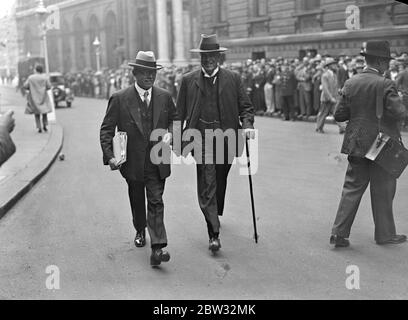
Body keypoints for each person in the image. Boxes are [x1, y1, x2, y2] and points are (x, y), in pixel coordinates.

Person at [176, 34, 255, 253]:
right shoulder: (187, 80)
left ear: (219, 58)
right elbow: (178, 113)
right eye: (205, 56)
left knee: (220, 177)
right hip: (200, 140)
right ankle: (214, 233)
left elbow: (246, 107)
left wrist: (247, 125)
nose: (209, 60)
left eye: (212, 56)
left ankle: (215, 210)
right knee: (208, 180)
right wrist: (175, 140)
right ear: (200, 58)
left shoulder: (233, 78)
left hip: (227, 138)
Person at [100, 51, 177, 266]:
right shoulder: (120, 98)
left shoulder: (164, 96)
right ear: (135, 73)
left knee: (156, 200)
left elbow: (175, 119)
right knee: (137, 200)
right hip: (133, 162)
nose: (149, 77)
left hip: (157, 160)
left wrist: (172, 133)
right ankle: (140, 229)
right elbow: (106, 130)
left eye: (152, 72)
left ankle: (158, 247)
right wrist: (110, 156)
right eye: (144, 72)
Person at [330, 40, 407, 248]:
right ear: (381, 62)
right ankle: (384, 234)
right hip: (382, 145)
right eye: (387, 61)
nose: (389, 66)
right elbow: (401, 114)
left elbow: (339, 114)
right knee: (383, 190)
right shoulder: (385, 83)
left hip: (357, 143)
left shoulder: (351, 82)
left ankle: (339, 233)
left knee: (352, 187)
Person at [23, 64, 52, 133]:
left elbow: (25, 86)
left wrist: (31, 88)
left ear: (36, 70)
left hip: (34, 97)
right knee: (44, 112)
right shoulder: (45, 77)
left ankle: (39, 127)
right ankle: (45, 125)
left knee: (37, 113)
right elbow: (49, 86)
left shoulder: (31, 78)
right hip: (43, 97)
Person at [315, 58, 339, 133]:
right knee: (323, 113)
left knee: (337, 113)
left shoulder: (334, 74)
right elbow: (325, 88)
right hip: (326, 98)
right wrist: (330, 97)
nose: (335, 65)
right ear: (329, 66)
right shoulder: (325, 75)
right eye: (333, 64)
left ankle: (342, 128)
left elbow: (336, 87)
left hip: (334, 97)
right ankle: (319, 127)